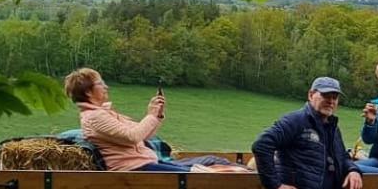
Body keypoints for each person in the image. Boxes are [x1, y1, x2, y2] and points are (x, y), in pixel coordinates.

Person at [62, 68, 247, 172]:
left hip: (143, 163)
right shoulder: (95, 117)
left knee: (207, 165)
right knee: (201, 173)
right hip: (134, 168)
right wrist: (150, 114)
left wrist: (156, 114)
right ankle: (251, 176)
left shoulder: (102, 113)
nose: (106, 86)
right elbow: (133, 136)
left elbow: (144, 135)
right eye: (100, 83)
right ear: (87, 91)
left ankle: (249, 174)